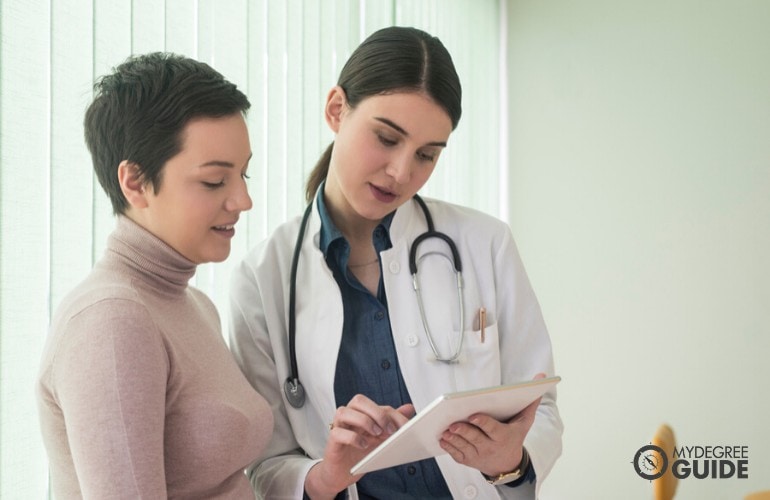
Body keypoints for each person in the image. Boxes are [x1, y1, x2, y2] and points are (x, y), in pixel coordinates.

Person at [229, 26, 562, 499]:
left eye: (427, 155)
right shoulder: (263, 279)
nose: (403, 172)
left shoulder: (485, 243)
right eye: (387, 138)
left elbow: (539, 405)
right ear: (336, 110)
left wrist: (510, 461)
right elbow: (265, 464)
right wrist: (324, 476)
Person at [36, 52, 273, 498]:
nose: (243, 200)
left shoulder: (194, 304)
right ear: (135, 182)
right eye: (214, 181)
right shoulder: (111, 322)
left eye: (243, 173)